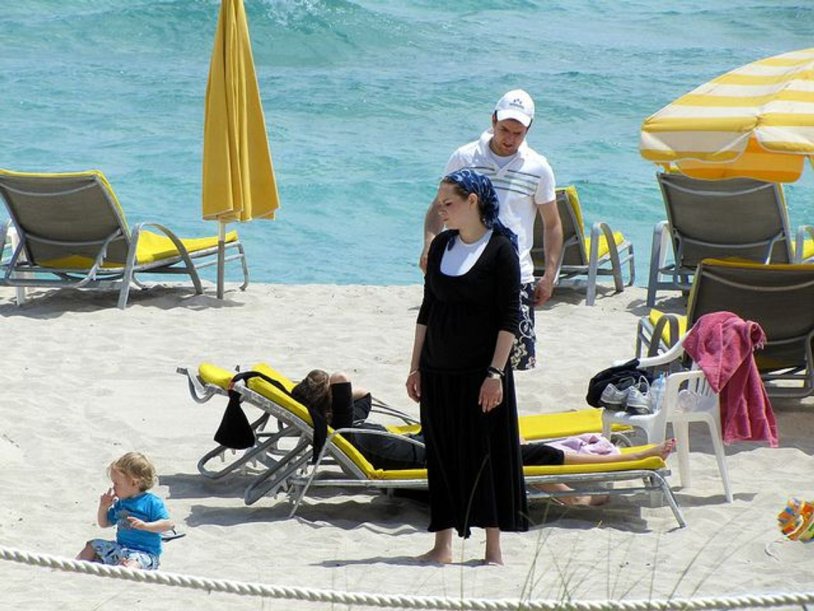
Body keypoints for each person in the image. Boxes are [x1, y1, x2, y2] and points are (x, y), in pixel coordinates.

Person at [292, 368, 677, 508]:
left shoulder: (347, 428)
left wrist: (323, 397)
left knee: (521, 452)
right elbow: (346, 382)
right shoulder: (345, 428)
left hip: (434, 450)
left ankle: (573, 493)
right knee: (529, 453)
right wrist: (331, 387)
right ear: (330, 405)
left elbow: (364, 395)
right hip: (437, 463)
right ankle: (623, 463)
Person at [407, 168, 527, 566]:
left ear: (472, 201)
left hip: (481, 375)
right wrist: (415, 367)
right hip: (437, 370)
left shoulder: (501, 251)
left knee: (486, 457)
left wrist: (496, 374)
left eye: (448, 203)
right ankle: (442, 547)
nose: (441, 211)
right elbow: (427, 311)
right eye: (440, 204)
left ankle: (493, 550)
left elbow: (511, 319)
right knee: (440, 456)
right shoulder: (441, 246)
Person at [419, 89, 563, 371]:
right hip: (464, 271)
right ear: (493, 120)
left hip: (515, 273)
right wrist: (429, 246)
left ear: (528, 130)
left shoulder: (539, 168)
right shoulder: (465, 157)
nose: (509, 139)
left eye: (517, 133)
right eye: (504, 129)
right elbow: (439, 206)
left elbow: (552, 223)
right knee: (462, 352)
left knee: (509, 364)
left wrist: (550, 275)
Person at [76, 452, 173, 570]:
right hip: (121, 548)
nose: (113, 487)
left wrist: (146, 526)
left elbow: (169, 524)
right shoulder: (121, 503)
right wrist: (103, 507)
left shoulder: (151, 502)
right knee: (92, 545)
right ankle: (72, 566)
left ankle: (123, 569)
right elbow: (104, 523)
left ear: (134, 482)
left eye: (116, 483)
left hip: (144, 554)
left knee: (131, 564)